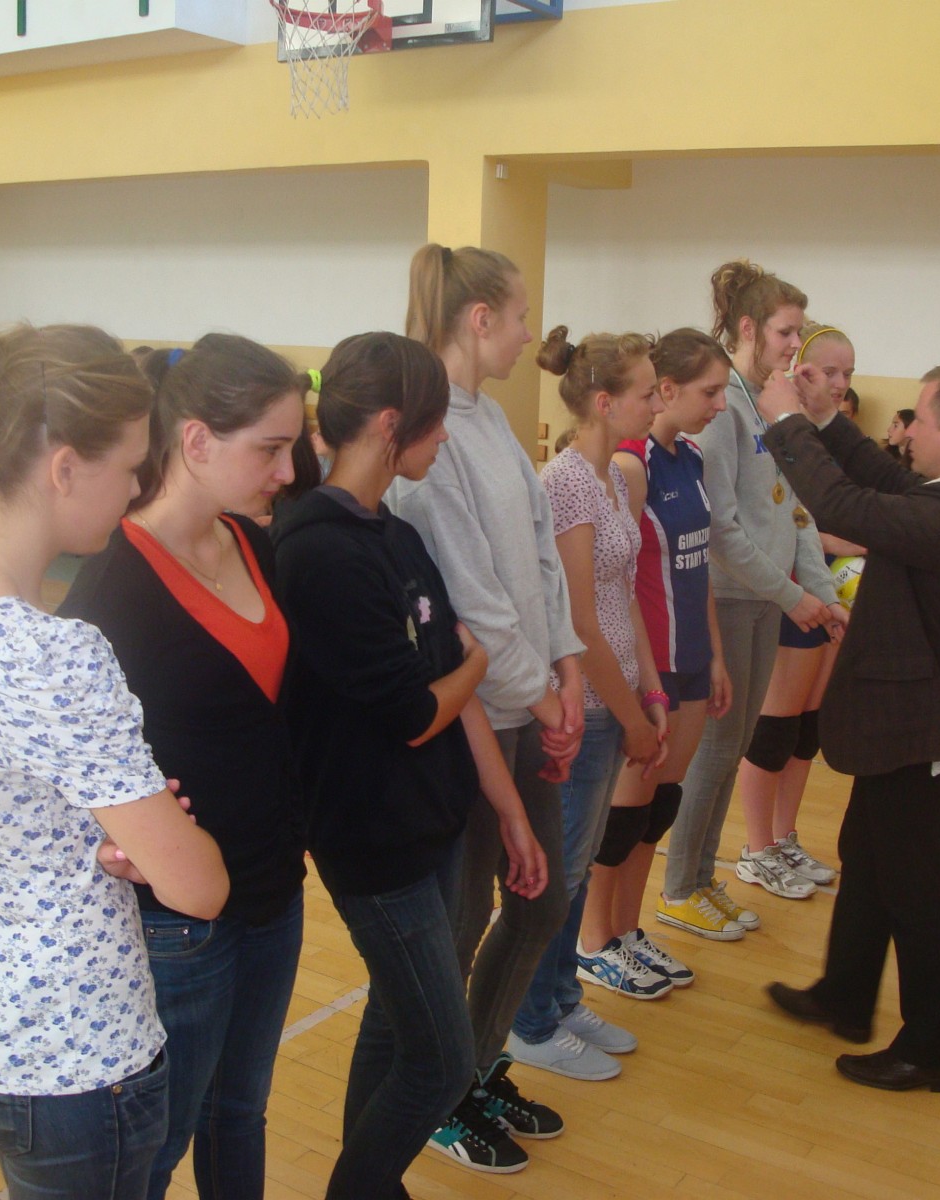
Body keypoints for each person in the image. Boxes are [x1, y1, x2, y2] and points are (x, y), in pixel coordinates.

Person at [0, 304, 229, 1200]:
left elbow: (11, 796)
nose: (138, 486)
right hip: (76, 1056)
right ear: (65, 467)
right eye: (130, 465)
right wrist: (166, 843)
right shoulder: (52, 654)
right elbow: (199, 886)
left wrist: (109, 836)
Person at [275, 330, 550, 1196]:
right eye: (436, 425)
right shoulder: (317, 550)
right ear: (393, 426)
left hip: (430, 826)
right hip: (374, 844)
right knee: (441, 1061)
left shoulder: (395, 535)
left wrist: (509, 812)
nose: (445, 439)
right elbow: (418, 708)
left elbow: (449, 698)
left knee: (396, 1025)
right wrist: (474, 663)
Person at [59, 333, 310, 1200]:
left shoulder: (253, 544)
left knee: (241, 1111)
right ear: (196, 441)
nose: (288, 471)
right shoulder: (112, 587)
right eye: (270, 449)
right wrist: (106, 840)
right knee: (161, 1142)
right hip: (180, 921)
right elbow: (65, 756)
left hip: (273, 888)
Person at [761, 358, 940, 1093]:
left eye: (919, 419)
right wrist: (823, 417)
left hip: (924, 727)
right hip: (906, 721)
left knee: (917, 890)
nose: (906, 432)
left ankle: (936, 1052)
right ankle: (845, 997)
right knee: (869, 855)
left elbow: (845, 503)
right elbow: (881, 477)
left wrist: (786, 419)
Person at [389, 243, 583, 1174]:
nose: (528, 334)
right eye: (518, 317)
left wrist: (568, 668)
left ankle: (469, 1068)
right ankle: (433, 1094)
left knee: (541, 904)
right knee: (460, 922)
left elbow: (541, 561)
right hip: (475, 717)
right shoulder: (430, 437)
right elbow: (473, 599)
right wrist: (544, 699)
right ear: (478, 319)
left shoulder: (495, 418)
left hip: (531, 700)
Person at [509, 325, 675, 1075]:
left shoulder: (617, 480)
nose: (656, 404)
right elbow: (578, 619)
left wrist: (651, 688)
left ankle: (561, 996)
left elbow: (624, 594)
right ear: (604, 402)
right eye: (646, 393)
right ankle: (528, 1022)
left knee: (578, 861)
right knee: (563, 867)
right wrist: (629, 717)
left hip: (620, 698)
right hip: (583, 705)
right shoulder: (567, 483)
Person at [662, 260, 841, 935]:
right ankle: (681, 886)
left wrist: (819, 592)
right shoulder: (725, 409)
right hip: (730, 599)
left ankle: (703, 878)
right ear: (748, 328)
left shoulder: (766, 402)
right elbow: (721, 529)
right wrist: (793, 596)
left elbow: (794, 510)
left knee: (736, 743)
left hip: (767, 599)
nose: (796, 344)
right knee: (715, 748)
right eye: (787, 332)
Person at [590, 329, 735, 960]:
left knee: (659, 810)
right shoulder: (631, 466)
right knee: (623, 819)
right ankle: (595, 942)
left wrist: (717, 656)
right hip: (650, 664)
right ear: (667, 390)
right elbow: (615, 580)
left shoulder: (691, 458)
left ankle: (628, 930)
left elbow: (697, 567)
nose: (720, 405)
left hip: (694, 659)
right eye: (710, 392)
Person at [731, 324, 866, 902]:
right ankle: (756, 848)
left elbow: (812, 517)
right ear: (799, 370)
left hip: (823, 587)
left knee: (806, 729)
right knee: (774, 727)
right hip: (783, 588)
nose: (839, 383)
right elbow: (778, 516)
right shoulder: (769, 426)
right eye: (828, 371)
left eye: (847, 374)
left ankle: (784, 837)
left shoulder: (825, 433)